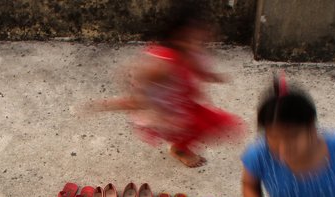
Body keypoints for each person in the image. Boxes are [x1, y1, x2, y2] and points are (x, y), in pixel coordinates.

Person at [93, 3, 243, 168]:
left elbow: (195, 66)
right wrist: (150, 110)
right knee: (188, 127)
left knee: (218, 123)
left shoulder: (188, 50)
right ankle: (179, 149)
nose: (202, 40)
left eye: (202, 36)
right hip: (165, 108)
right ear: (179, 36)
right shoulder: (162, 64)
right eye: (195, 37)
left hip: (182, 101)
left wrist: (210, 76)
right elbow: (133, 81)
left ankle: (180, 143)